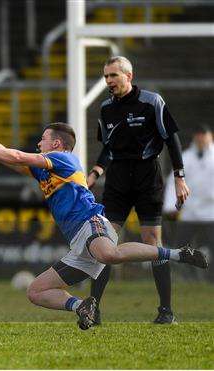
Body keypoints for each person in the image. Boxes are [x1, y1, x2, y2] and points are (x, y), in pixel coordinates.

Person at [0, 117, 207, 330]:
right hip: (78, 243)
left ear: (55, 143)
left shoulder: (64, 159)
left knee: (108, 253)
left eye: (42, 138)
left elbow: (18, 155)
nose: (38, 143)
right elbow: (7, 155)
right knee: (35, 291)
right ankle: (80, 306)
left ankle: (178, 253)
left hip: (91, 222)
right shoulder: (45, 169)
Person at [85, 56, 190, 325]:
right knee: (104, 244)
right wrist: (96, 172)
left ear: (128, 76)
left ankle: (166, 311)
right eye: (106, 76)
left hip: (147, 177)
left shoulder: (152, 102)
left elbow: (172, 139)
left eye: (113, 76)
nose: (108, 81)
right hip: (118, 180)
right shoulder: (106, 108)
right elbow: (108, 148)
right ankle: (93, 309)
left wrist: (179, 177)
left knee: (152, 243)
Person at [163, 125, 214, 281]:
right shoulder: (185, 158)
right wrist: (171, 206)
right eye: (198, 136)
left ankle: (211, 279)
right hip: (190, 211)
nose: (201, 139)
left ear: (210, 137)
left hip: (211, 212)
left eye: (204, 136)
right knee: (181, 246)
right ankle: (188, 276)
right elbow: (174, 182)